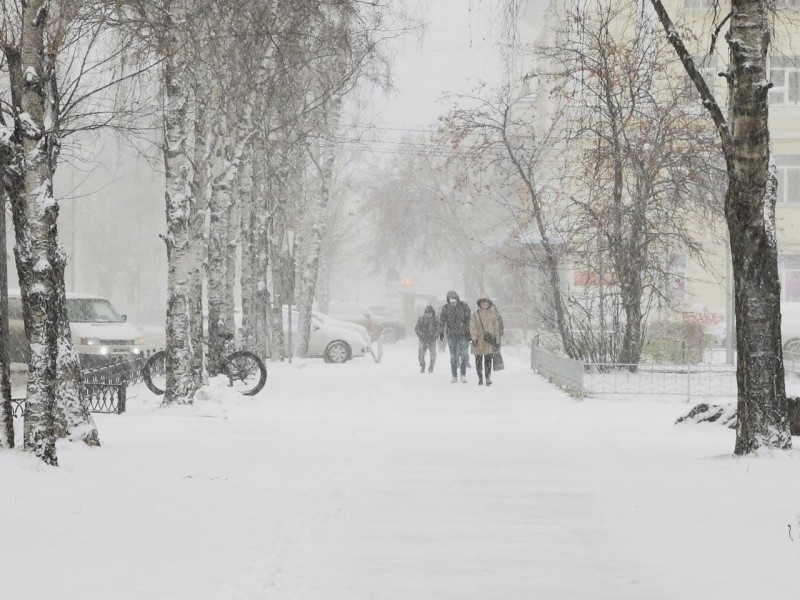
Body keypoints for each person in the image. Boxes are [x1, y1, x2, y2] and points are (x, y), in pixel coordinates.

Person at [469, 297, 504, 386]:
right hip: (478, 340)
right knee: (478, 360)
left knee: (488, 360)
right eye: (483, 303)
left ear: (489, 304)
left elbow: (496, 327)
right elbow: (472, 326)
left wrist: (497, 339)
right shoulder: (475, 314)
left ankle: (488, 378)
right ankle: (480, 377)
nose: (485, 305)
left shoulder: (492, 314)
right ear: (480, 303)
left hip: (489, 340)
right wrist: (474, 338)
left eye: (486, 303)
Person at [440, 290, 472, 383]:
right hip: (451, 335)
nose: (453, 303)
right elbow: (442, 321)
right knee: (453, 356)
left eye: (454, 301)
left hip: (463, 334)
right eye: (451, 302)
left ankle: (463, 374)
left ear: (457, 300)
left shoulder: (464, 306)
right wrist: (441, 332)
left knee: (465, 355)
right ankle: (454, 375)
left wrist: (468, 332)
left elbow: (468, 320)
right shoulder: (445, 308)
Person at [414, 305, 441, 373]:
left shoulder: (436, 320)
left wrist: (435, 336)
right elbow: (417, 328)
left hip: (432, 340)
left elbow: (439, 329)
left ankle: (431, 366)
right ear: (425, 313)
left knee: (433, 354)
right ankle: (422, 365)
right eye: (427, 313)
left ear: (432, 313)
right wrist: (421, 335)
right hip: (423, 339)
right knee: (421, 354)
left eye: (430, 313)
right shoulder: (421, 319)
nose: (428, 314)